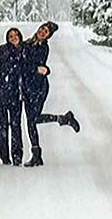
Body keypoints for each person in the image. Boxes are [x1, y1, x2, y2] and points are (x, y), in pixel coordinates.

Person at [21, 21, 80, 167]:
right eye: (42, 29)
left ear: (48, 37)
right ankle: (36, 155)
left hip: (38, 87)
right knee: (31, 121)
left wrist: (42, 69)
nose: (42, 32)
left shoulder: (43, 47)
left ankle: (63, 119)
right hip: (27, 87)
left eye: (46, 32)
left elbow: (30, 65)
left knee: (32, 119)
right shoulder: (29, 42)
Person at [0, 27, 24, 166]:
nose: (14, 37)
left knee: (16, 125)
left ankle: (17, 156)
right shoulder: (4, 50)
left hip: (15, 94)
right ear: (7, 39)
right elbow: (7, 60)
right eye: (11, 36)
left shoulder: (23, 50)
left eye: (16, 35)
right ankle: (4, 157)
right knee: (3, 124)